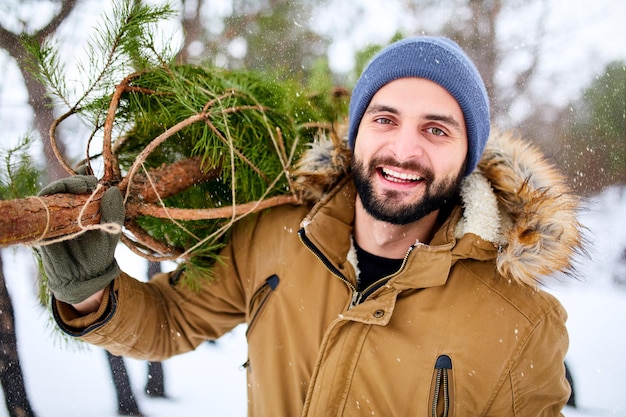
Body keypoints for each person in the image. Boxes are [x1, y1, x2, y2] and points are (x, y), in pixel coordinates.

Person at [38, 36, 582, 416]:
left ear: (468, 158)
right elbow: (172, 320)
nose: (404, 149)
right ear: (356, 134)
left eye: (437, 130)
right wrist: (90, 296)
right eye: (385, 119)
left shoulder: (521, 322)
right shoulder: (274, 235)